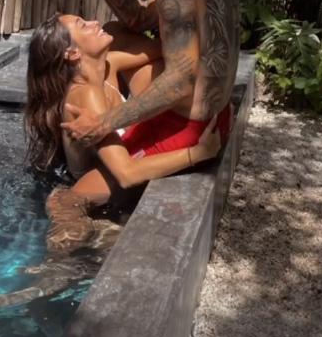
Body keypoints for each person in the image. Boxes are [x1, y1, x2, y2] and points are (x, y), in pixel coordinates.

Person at [26, 13, 221, 250]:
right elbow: (127, 174)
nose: (94, 22)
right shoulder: (85, 96)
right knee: (63, 271)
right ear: (73, 53)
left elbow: (171, 56)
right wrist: (199, 152)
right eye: (83, 25)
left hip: (112, 178)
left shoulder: (108, 66)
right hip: (75, 200)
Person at [61, 0, 241, 155]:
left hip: (190, 128)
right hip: (216, 112)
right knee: (114, 31)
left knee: (84, 187)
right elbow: (140, 20)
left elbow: (181, 81)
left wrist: (102, 123)